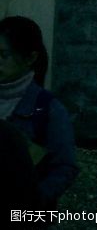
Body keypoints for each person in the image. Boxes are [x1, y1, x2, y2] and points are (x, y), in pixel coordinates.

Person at [0, 15, 79, 210]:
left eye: (3, 55)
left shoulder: (48, 110)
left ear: (30, 58)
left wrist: (31, 202)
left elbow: (65, 167)